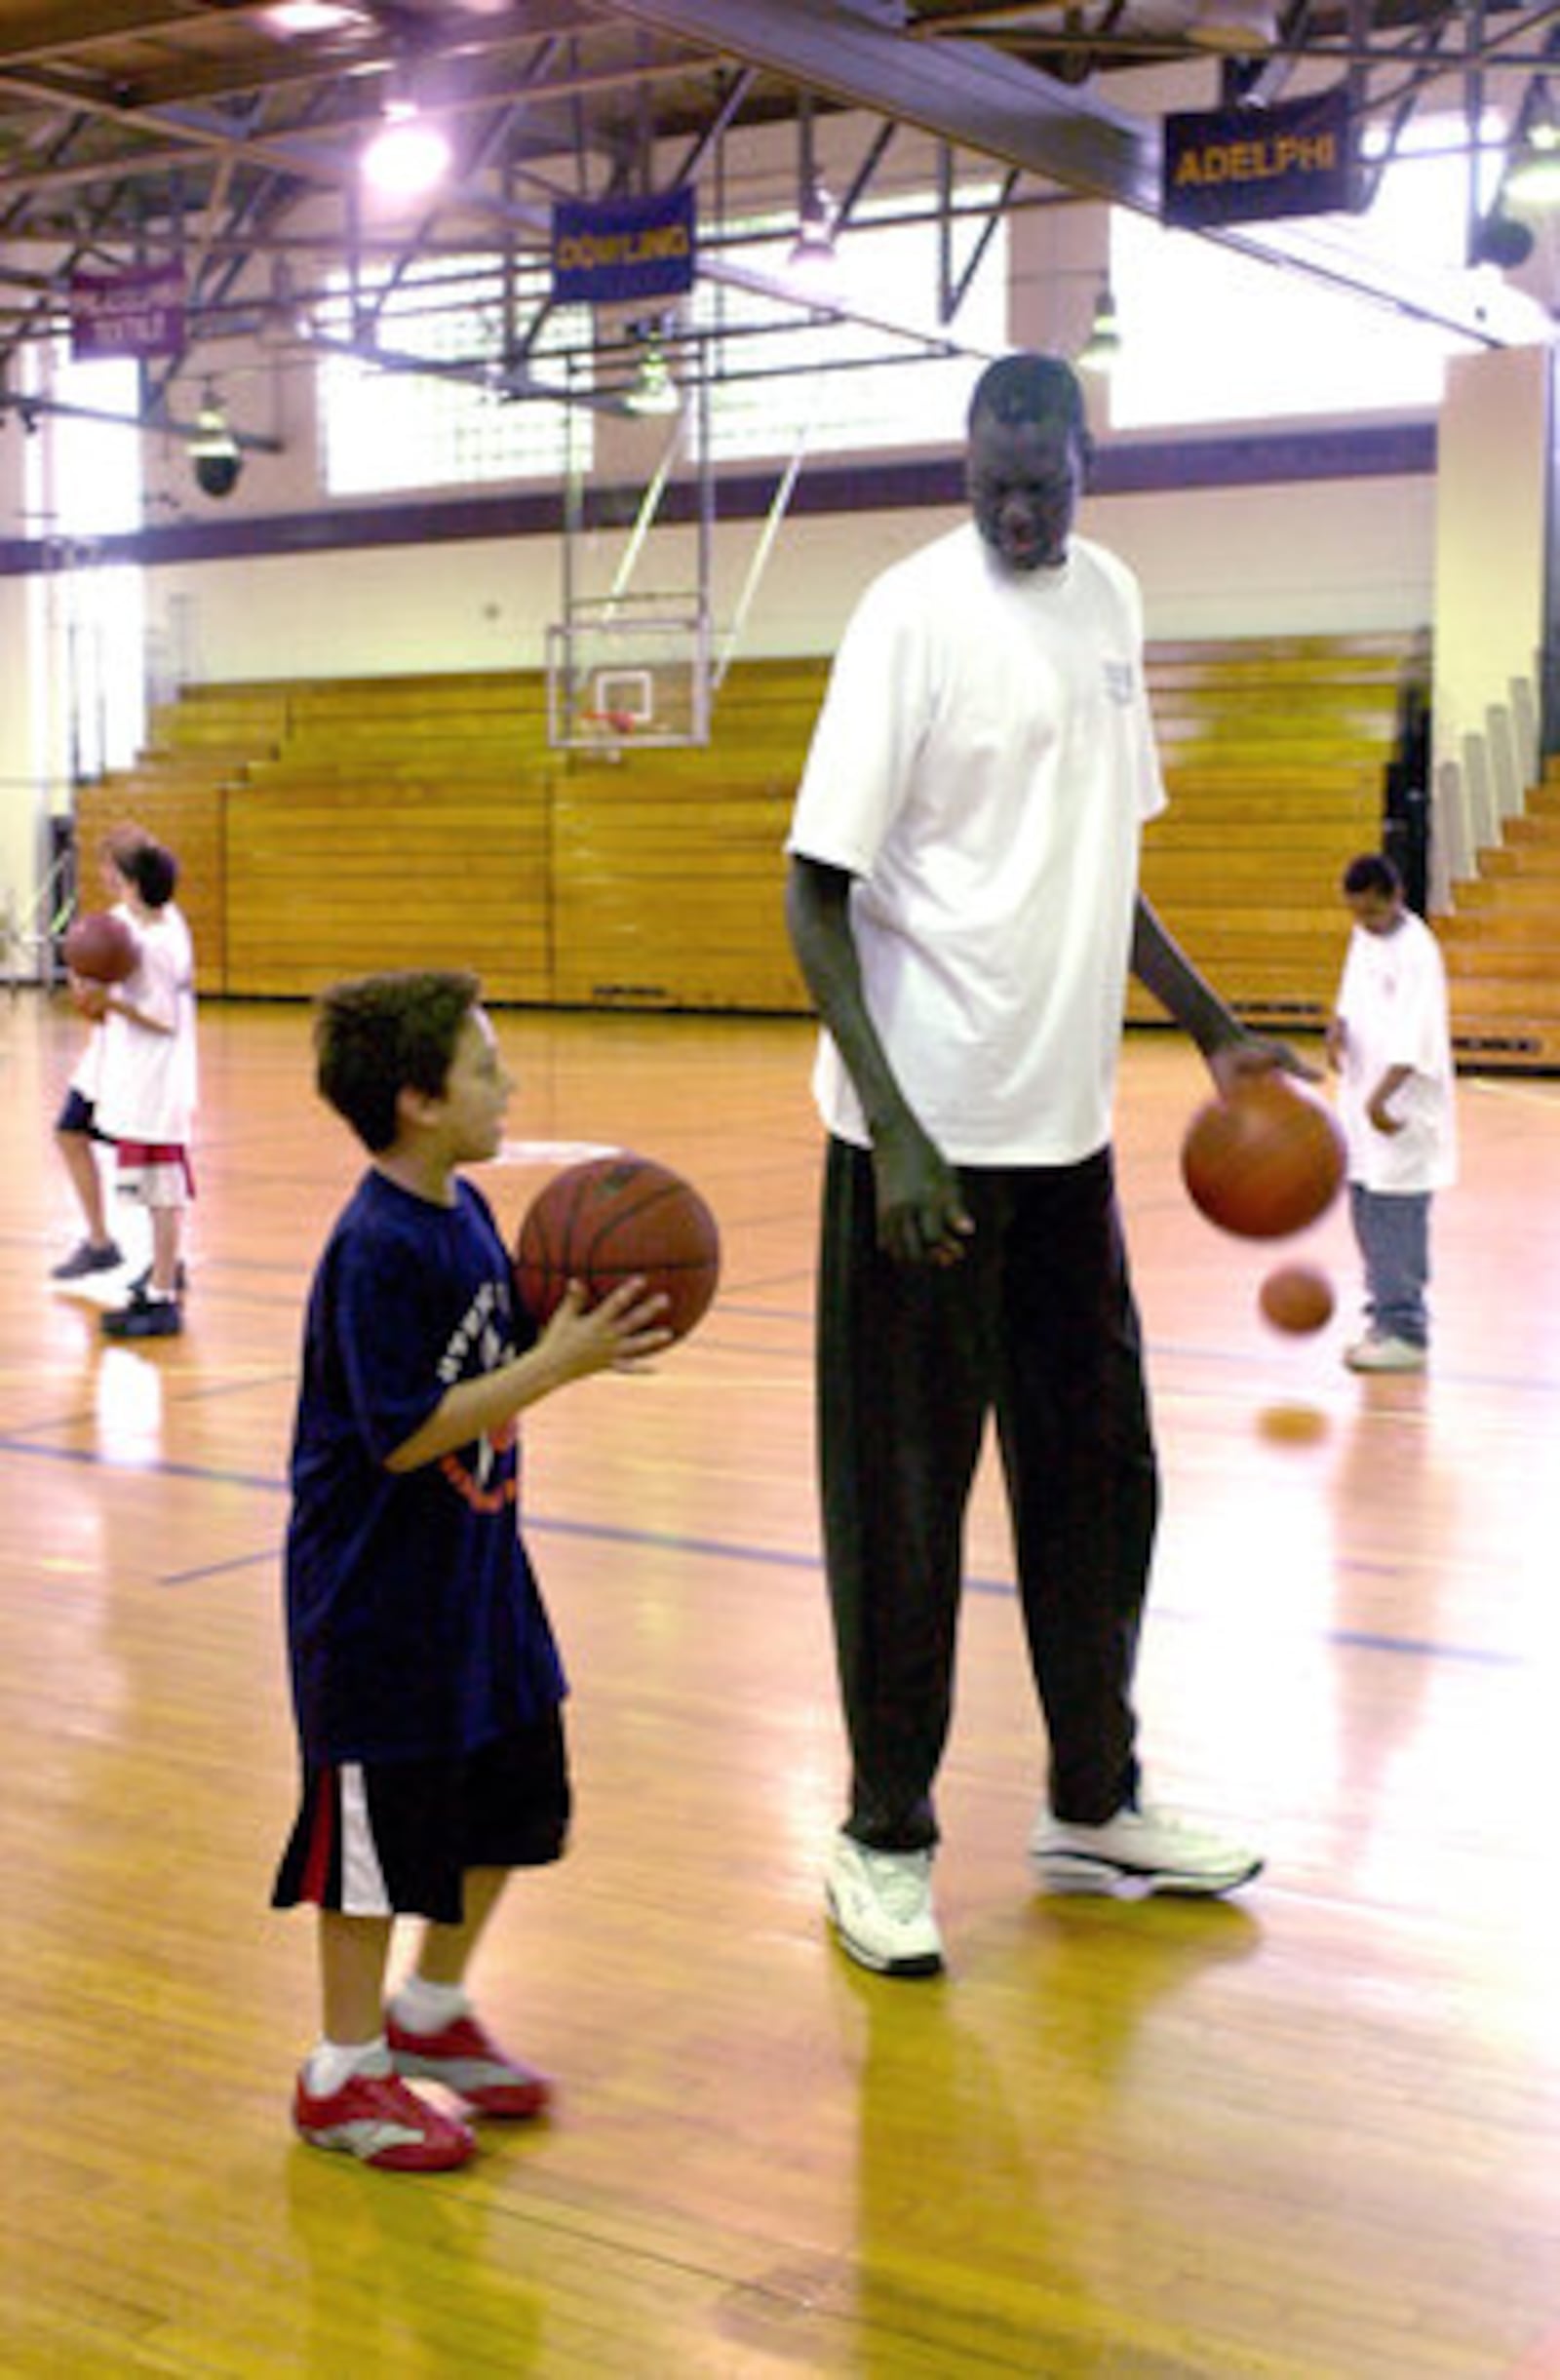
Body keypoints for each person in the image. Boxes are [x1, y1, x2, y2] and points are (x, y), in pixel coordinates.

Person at [784, 350, 1288, 1980]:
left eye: (1044, 483)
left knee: (1101, 1492)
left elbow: (1104, 861)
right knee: (903, 1516)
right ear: (965, 462)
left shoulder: (1112, 603)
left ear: (1089, 464)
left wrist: (1213, 1027)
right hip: (914, 1162)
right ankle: (881, 1838)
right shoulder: (905, 619)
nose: (1016, 508)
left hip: (1066, 1154)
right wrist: (903, 1130)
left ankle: (1094, 1798)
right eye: (993, 479)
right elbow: (812, 894)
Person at [272, 969, 670, 2173]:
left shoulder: (466, 1210)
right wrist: (562, 1365)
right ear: (417, 1099)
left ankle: (430, 2011)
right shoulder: (374, 1248)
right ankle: (341, 2072)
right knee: (374, 1848)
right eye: (487, 1067)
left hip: (477, 1572)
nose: (509, 1085)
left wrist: (586, 1316)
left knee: (513, 1788)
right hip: (374, 1599)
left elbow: (511, 1342)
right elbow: (404, 1429)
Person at [1327, 849, 1456, 1375]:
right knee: (1364, 1210)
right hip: (1363, 1106)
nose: (1365, 924)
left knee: (1396, 1218)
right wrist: (1337, 1026)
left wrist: (1380, 1100)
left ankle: (1407, 1329)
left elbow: (1416, 1038)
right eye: (1356, 914)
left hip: (1401, 1112)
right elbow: (1354, 994)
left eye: (1373, 913)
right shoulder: (1366, 935)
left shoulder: (1419, 952)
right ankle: (1382, 1318)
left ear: (1397, 898)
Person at [82, 837, 199, 1340]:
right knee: (156, 1190)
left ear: (133, 885)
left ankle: (163, 1296)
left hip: (157, 1083)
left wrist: (111, 1001)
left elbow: (160, 1017)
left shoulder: (152, 946)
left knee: (162, 1190)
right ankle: (160, 1275)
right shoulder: (168, 919)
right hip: (156, 1080)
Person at [50, 823, 152, 1283]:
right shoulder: (114, 921)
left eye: (111, 864)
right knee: (70, 1133)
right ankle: (99, 1243)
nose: (105, 873)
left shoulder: (153, 925)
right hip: (105, 1059)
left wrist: (94, 993)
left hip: (139, 1063)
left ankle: (165, 1257)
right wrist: (84, 988)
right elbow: (94, 1009)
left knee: (145, 1160)